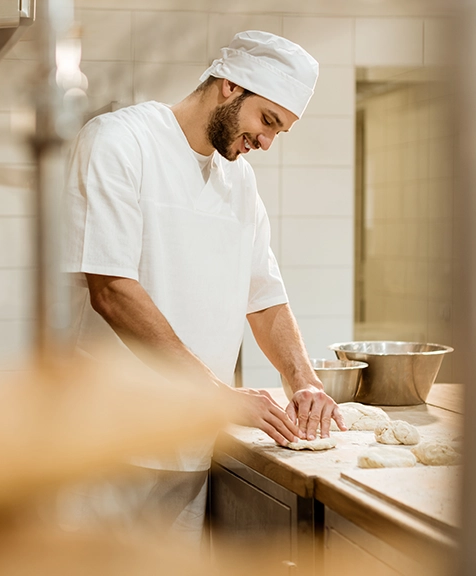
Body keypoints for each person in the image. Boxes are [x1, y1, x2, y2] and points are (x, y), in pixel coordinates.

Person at [62, 30, 346, 545]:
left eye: (279, 131)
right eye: (268, 121)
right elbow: (110, 288)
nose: (266, 142)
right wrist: (217, 394)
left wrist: (304, 380)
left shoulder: (238, 182)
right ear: (230, 87)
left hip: (188, 445)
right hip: (106, 444)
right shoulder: (120, 141)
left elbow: (265, 298)